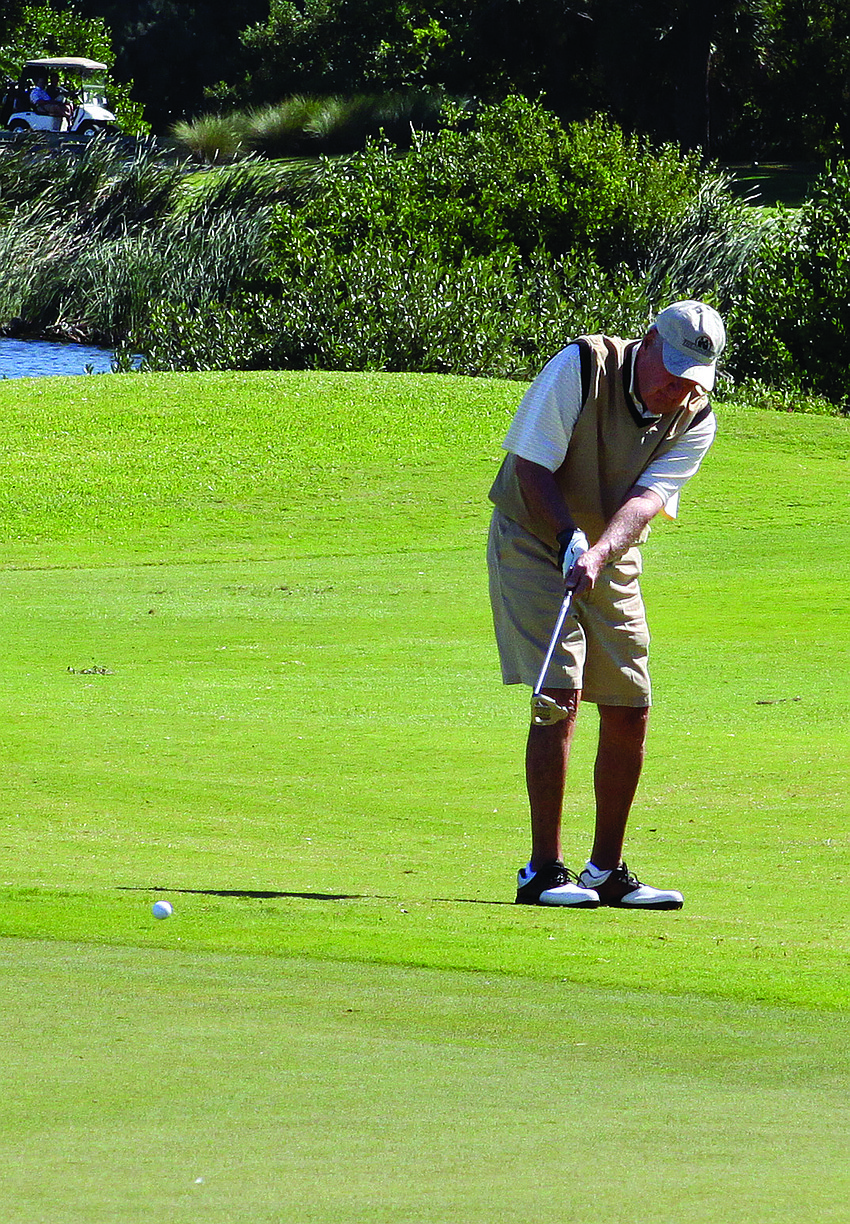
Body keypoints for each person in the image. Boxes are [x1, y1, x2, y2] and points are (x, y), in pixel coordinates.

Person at [487, 300, 726, 909]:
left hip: (610, 551)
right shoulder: (581, 368)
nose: (677, 389)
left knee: (629, 701)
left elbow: (647, 500)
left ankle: (606, 871)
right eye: (670, 372)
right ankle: (542, 873)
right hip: (533, 537)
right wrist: (571, 540)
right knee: (557, 696)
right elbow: (530, 467)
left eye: (691, 380)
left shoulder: (695, 417)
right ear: (646, 343)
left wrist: (597, 553)